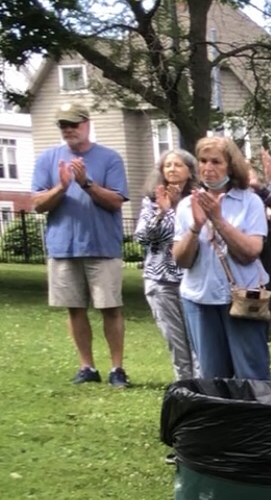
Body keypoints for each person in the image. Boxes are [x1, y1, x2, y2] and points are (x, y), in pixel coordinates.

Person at [32, 101, 130, 386]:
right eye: (63, 125)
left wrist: (86, 182)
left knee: (110, 307)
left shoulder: (109, 158)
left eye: (74, 124)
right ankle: (87, 367)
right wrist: (62, 187)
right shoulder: (48, 159)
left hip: (102, 246)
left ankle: (116, 369)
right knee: (74, 308)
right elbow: (38, 204)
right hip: (63, 246)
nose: (68, 130)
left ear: (87, 124)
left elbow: (115, 202)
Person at [171, 136, 270, 382]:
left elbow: (250, 252)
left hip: (242, 300)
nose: (208, 168)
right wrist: (196, 226)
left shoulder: (250, 202)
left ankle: (257, 419)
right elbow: (181, 260)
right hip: (199, 300)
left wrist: (218, 220)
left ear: (230, 166)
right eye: (203, 161)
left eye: (216, 161)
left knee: (252, 374)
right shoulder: (186, 206)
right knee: (212, 378)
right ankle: (224, 420)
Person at [135, 147, 197, 382]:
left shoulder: (197, 200)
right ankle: (184, 388)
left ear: (190, 172)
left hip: (193, 279)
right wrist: (163, 213)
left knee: (197, 341)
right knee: (176, 341)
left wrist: (171, 213)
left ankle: (201, 389)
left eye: (178, 164)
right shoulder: (151, 202)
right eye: (167, 165)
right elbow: (142, 238)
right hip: (161, 281)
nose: (172, 169)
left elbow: (191, 233)